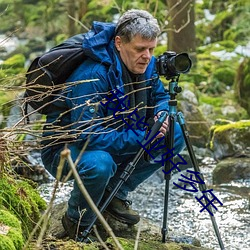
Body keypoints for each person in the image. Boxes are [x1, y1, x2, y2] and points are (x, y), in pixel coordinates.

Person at [41, 9, 185, 241]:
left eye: (152, 49)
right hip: (66, 150)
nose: (147, 56)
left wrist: (161, 114)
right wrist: (143, 136)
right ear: (119, 43)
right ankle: (76, 221)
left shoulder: (145, 64)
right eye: (140, 49)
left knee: (174, 133)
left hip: (116, 134)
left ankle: (115, 193)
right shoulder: (92, 75)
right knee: (100, 164)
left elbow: (159, 96)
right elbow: (87, 136)